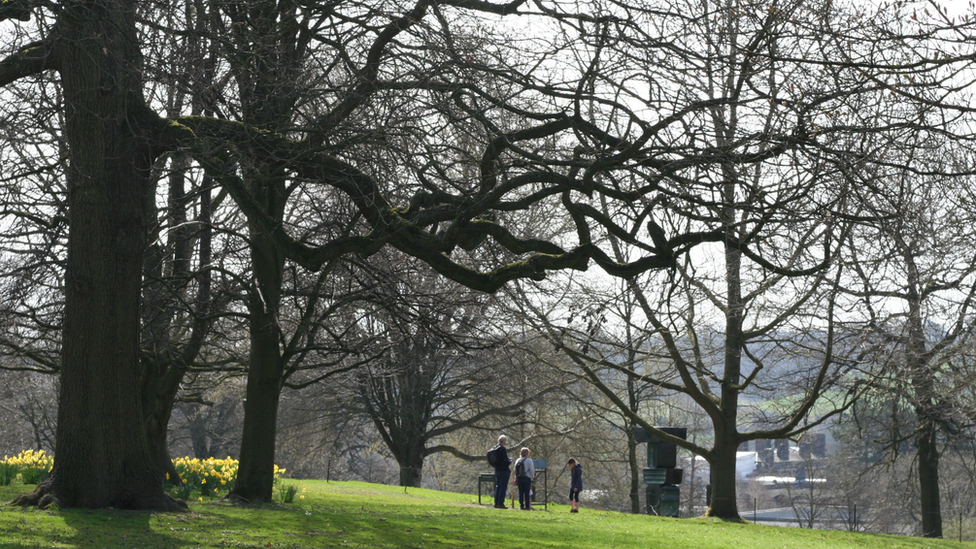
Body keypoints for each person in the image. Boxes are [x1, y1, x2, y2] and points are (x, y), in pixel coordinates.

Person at [490, 435, 512, 509]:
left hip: (497, 469)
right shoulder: (502, 449)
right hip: (504, 470)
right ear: (504, 441)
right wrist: (510, 461)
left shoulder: (495, 448)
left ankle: (496, 502)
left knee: (498, 486)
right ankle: (500, 503)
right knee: (503, 487)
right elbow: (506, 460)